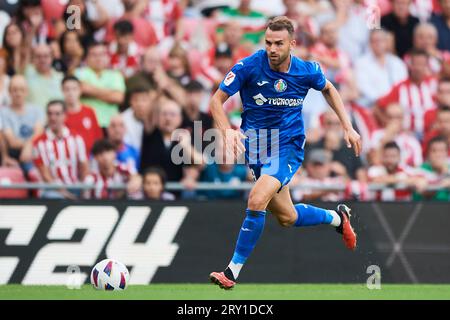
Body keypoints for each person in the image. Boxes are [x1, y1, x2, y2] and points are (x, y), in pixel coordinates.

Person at [208, 16, 361, 289]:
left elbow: (328, 88)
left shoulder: (306, 70)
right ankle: (338, 218)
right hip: (256, 148)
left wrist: (347, 126)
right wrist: (226, 130)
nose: (272, 49)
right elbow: (216, 100)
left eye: (279, 43)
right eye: (268, 42)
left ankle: (231, 273)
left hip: (287, 146)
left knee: (256, 199)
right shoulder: (249, 66)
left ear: (292, 43)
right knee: (287, 217)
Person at [32, 100, 89, 199]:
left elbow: (84, 167)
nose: (53, 118)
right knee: (53, 197)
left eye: (57, 114)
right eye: (50, 114)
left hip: (74, 186)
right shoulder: (39, 142)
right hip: (52, 189)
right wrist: (65, 194)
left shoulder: (77, 138)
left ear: (65, 116)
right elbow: (45, 174)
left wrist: (83, 190)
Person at [75, 41, 126, 128]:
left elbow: (118, 97)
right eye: (94, 55)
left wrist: (91, 93)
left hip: (110, 125)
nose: (98, 58)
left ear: (107, 57)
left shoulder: (115, 75)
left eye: (102, 54)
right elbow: (83, 89)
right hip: (86, 123)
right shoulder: (79, 72)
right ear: (87, 58)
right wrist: (110, 93)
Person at [0, 75, 44, 173]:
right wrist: (29, 144)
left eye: (22, 90)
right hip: (14, 155)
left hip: (35, 153)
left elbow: (39, 133)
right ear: (9, 92)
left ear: (27, 91)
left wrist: (29, 145)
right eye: (14, 90)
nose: (18, 93)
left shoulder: (37, 110)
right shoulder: (3, 112)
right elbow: (12, 142)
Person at [62, 76, 103, 155]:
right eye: (67, 89)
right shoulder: (59, 115)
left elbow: (98, 137)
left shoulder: (89, 111)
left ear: (80, 90)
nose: (71, 93)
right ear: (62, 91)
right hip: (69, 158)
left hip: (90, 157)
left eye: (74, 89)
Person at [24, 44, 64, 111]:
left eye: (46, 56)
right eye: (38, 56)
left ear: (52, 58)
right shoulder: (26, 73)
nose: (42, 60)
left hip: (56, 119)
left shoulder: (60, 77)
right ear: (33, 58)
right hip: (34, 120)